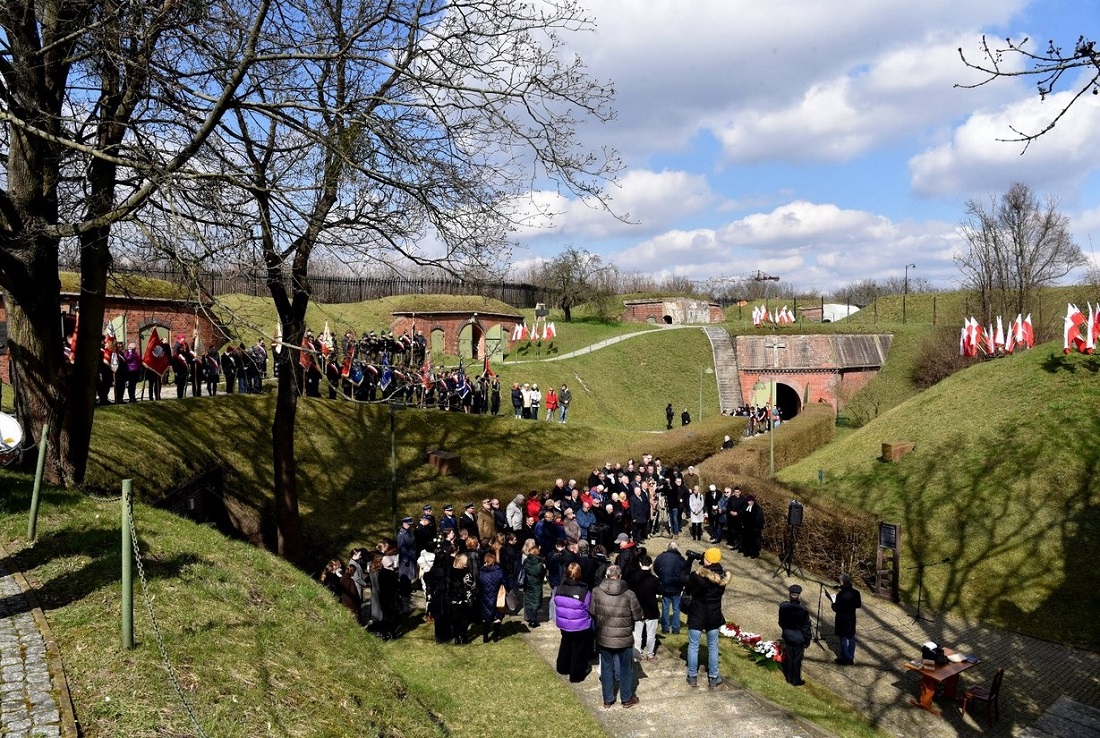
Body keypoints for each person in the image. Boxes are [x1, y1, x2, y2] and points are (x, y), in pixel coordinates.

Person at [589, 565, 643, 708]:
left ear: (607, 576)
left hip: (604, 636)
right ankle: (626, 698)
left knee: (606, 667)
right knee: (626, 668)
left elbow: (592, 611)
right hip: (623, 638)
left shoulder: (596, 592)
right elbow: (638, 615)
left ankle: (607, 699)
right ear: (619, 577)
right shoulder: (629, 594)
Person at [685, 548, 731, 689]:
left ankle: (692, 676)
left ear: (707, 560)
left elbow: (683, 579)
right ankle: (713, 677)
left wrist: (689, 560)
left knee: (693, 646)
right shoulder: (723, 578)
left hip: (697, 615)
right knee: (713, 647)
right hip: (713, 616)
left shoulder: (697, 576)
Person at [554, 562, 593, 682]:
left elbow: (556, 602)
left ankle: (562, 667)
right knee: (578, 649)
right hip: (579, 625)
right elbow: (588, 607)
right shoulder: (584, 591)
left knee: (565, 644)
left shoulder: (559, 588)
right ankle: (576, 675)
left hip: (564, 623)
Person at [627, 554, 660, 661]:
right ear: (651, 565)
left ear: (640, 564)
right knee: (651, 634)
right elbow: (661, 591)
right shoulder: (653, 579)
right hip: (651, 609)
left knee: (637, 633)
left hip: (637, 608)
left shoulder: (633, 577)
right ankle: (650, 654)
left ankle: (637, 653)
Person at [779, 584, 812, 686]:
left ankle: (788, 677)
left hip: (788, 635)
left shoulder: (783, 607)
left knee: (789, 656)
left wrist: (786, 630)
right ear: (799, 596)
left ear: (790, 594)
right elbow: (805, 628)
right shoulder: (802, 611)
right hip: (799, 638)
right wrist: (807, 640)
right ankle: (795, 679)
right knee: (797, 659)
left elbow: (781, 622)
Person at [653, 541, 687, 634]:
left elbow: (655, 568)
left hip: (665, 585)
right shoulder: (681, 559)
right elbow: (685, 572)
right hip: (677, 586)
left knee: (665, 607)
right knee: (676, 609)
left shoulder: (660, 557)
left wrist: (661, 577)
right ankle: (675, 629)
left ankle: (665, 627)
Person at [831, 573, 862, 665]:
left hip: (842, 619)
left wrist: (833, 603)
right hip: (851, 618)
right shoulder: (856, 593)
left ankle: (846, 658)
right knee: (852, 637)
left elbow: (836, 609)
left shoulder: (841, 595)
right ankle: (850, 656)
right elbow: (858, 605)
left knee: (843, 638)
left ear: (841, 582)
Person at [477, 552, 506, 643]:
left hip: (484, 598)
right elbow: (506, 582)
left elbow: (478, 584)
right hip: (497, 597)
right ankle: (495, 637)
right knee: (497, 617)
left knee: (485, 618)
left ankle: (485, 637)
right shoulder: (499, 571)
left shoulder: (481, 572)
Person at [522, 543, 547, 627]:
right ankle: (534, 620)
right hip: (536, 585)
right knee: (535, 603)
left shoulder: (526, 561)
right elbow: (543, 574)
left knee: (529, 602)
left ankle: (530, 619)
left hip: (528, 584)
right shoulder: (539, 565)